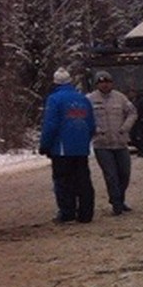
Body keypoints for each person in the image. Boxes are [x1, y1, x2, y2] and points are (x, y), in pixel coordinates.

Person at [39, 67, 96, 223]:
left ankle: (67, 212)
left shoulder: (54, 99)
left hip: (62, 148)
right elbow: (91, 125)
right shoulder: (83, 99)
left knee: (63, 181)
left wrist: (45, 145)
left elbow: (51, 124)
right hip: (81, 148)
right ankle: (86, 213)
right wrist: (84, 140)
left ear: (55, 83)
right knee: (83, 180)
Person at [87, 71, 138, 215]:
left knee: (124, 174)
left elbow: (133, 113)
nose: (105, 84)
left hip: (120, 142)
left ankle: (120, 198)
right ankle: (116, 203)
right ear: (97, 84)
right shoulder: (90, 99)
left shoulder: (120, 98)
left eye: (107, 82)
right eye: (101, 82)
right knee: (111, 175)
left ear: (112, 83)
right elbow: (85, 117)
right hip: (102, 144)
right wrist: (94, 129)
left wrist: (125, 127)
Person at [128, 88, 143, 157]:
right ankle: (140, 149)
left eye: (131, 92)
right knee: (133, 136)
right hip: (134, 121)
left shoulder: (142, 100)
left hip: (140, 121)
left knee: (142, 136)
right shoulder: (132, 100)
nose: (130, 94)